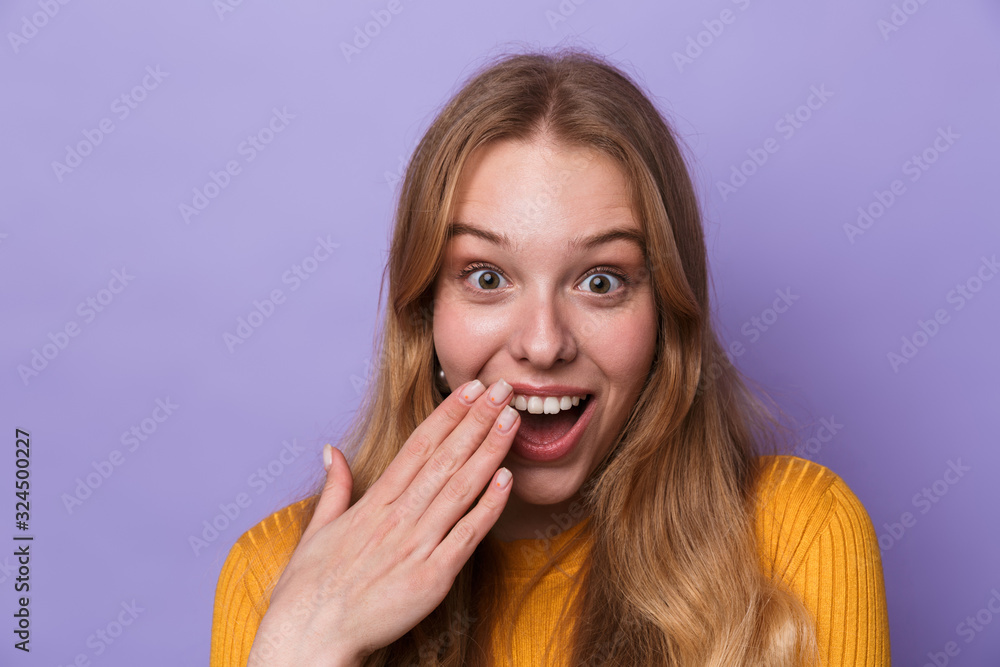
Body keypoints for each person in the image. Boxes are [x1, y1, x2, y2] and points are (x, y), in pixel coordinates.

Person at [210, 48, 890, 666]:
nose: (542, 344)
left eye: (601, 281)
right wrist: (305, 645)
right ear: (423, 313)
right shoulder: (274, 577)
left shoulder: (797, 536)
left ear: (665, 316)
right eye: (486, 277)